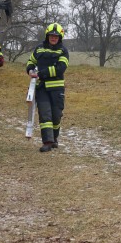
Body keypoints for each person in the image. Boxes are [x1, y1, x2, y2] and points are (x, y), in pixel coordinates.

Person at [26, 23, 69, 152]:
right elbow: (31, 62)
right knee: (45, 115)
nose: (53, 38)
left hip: (57, 89)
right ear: (47, 36)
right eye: (51, 36)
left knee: (56, 116)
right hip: (41, 88)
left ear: (60, 37)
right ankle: (47, 142)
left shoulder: (63, 51)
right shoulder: (39, 49)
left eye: (56, 36)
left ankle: (54, 138)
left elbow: (60, 68)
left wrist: (41, 73)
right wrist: (29, 70)